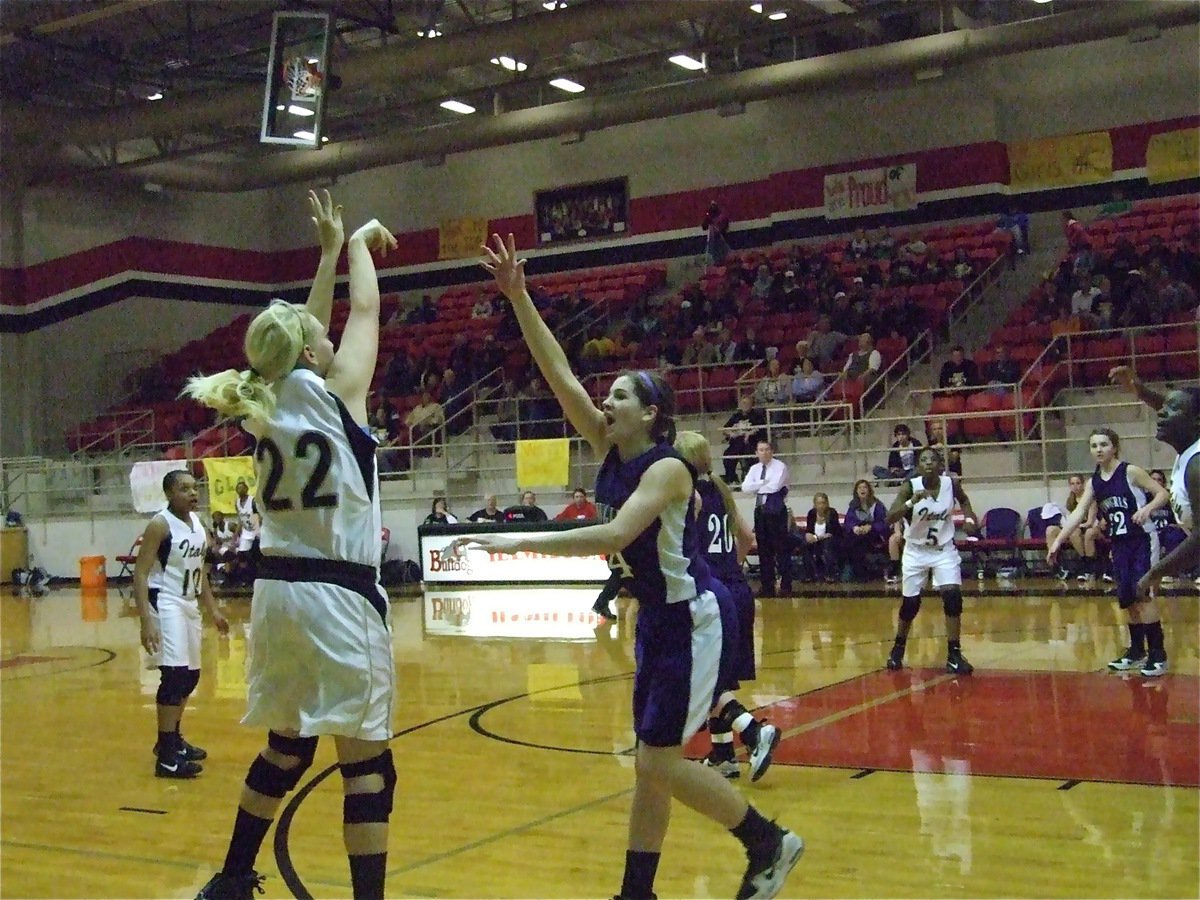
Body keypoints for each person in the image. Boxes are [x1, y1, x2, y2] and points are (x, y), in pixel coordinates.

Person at [462, 232, 803, 900]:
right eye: (607, 395)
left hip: (694, 617)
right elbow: (558, 375)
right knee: (652, 766)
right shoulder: (613, 448)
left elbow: (614, 533)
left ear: (651, 413)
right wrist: (519, 297)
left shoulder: (669, 469)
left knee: (657, 761)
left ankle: (768, 842)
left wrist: (518, 543)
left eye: (619, 396)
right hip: (657, 621)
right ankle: (636, 892)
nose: (605, 402)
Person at [184, 194, 400, 899]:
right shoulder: (342, 393)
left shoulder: (264, 402)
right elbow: (362, 313)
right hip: (337, 596)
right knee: (367, 766)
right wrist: (362, 244)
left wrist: (328, 253)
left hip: (275, 599)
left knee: (286, 749)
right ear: (311, 352)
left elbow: (307, 329)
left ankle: (232, 878)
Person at [674, 430, 780, 783]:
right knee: (719, 680)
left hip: (712, 595)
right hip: (737, 590)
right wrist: (727, 568)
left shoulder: (686, 495)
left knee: (703, 683)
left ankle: (753, 732)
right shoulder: (719, 486)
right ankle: (722, 756)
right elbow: (748, 539)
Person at [1048, 428, 1170, 676]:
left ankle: (1158, 655)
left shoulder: (1130, 472)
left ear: (1114, 446)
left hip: (1142, 539)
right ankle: (1136, 651)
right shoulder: (1093, 482)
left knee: (1142, 594)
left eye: (1104, 444)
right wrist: (1058, 541)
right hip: (1119, 543)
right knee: (1126, 597)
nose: (1099, 449)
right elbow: (1079, 513)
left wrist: (1147, 509)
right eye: (1094, 446)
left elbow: (1163, 494)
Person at [134, 470, 229, 779]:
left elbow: (199, 569)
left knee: (190, 677)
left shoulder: (198, 524)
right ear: (169, 494)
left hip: (188, 602)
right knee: (174, 676)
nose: (192, 492)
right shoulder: (160, 525)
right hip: (167, 600)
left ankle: (173, 740)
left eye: (194, 487)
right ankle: (166, 754)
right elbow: (140, 573)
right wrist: (146, 621)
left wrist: (213, 609)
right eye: (184, 488)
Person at [884, 447, 980, 675]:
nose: (928, 463)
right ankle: (898, 648)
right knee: (911, 605)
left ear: (940, 465)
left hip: (943, 549)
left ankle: (954, 654)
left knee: (953, 596)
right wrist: (909, 503)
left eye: (933, 459)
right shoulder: (910, 487)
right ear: (918, 466)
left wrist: (968, 518)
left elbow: (965, 501)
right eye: (924, 460)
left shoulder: (950, 484)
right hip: (916, 551)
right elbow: (890, 517)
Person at [1109, 367, 1200, 593]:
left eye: (1172, 409)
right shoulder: (1189, 450)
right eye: (1164, 406)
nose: (1161, 412)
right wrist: (1140, 389)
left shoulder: (1197, 466)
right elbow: (1177, 408)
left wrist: (1154, 572)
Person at [742, 439, 793, 598]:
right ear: (756, 453)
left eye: (767, 449)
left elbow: (775, 487)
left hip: (776, 511)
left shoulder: (779, 466)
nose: (764, 452)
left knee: (781, 548)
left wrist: (757, 486)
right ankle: (767, 585)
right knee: (764, 550)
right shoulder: (754, 468)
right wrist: (763, 483)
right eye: (761, 450)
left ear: (772, 451)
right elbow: (745, 487)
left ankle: (786, 584)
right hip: (760, 511)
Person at [1042, 474, 1100, 581]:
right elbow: (1068, 518)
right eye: (1072, 484)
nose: (1075, 486)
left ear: (1083, 484)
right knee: (1050, 530)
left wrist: (1073, 526)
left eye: (1078, 483)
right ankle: (1055, 565)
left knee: (1074, 532)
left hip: (1088, 527)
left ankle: (1085, 562)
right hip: (1074, 526)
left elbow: (1090, 522)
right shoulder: (1070, 501)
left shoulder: (1090, 499)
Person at [842, 480, 889, 581]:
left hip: (874, 533)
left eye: (865, 487)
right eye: (860, 488)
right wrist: (854, 528)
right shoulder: (853, 506)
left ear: (869, 490)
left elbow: (883, 523)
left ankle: (862, 574)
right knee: (849, 541)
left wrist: (871, 527)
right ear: (856, 491)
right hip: (858, 534)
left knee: (859, 541)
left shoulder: (877, 505)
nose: (862, 489)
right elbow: (848, 521)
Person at [721, 395, 767, 484]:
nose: (744, 405)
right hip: (736, 443)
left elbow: (761, 428)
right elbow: (724, 429)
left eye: (747, 403)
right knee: (727, 455)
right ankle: (732, 477)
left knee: (750, 455)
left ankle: (750, 477)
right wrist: (731, 433)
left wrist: (750, 433)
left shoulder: (757, 416)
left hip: (751, 443)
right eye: (743, 403)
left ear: (751, 404)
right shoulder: (736, 416)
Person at [800, 492, 840, 583]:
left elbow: (833, 532)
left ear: (827, 503)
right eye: (818, 503)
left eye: (823, 503)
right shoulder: (811, 513)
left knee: (827, 545)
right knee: (805, 545)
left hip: (829, 540)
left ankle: (829, 574)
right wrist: (808, 535)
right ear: (815, 504)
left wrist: (818, 538)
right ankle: (808, 574)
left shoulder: (832, 513)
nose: (821, 506)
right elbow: (809, 529)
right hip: (816, 539)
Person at [231, 478, 259, 584]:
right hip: (246, 531)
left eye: (242, 488)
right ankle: (247, 578)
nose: (240, 490)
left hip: (255, 529)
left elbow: (258, 516)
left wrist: (257, 532)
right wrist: (236, 534)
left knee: (254, 555)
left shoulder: (252, 501)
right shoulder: (237, 502)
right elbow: (240, 519)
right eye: (238, 488)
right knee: (242, 555)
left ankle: (255, 577)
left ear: (247, 489)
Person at [702, 201, 731, 266]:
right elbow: (704, 227)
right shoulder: (709, 217)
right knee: (714, 258)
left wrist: (716, 226)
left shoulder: (722, 217)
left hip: (721, 240)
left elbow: (723, 228)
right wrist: (707, 219)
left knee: (723, 258)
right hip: (713, 242)